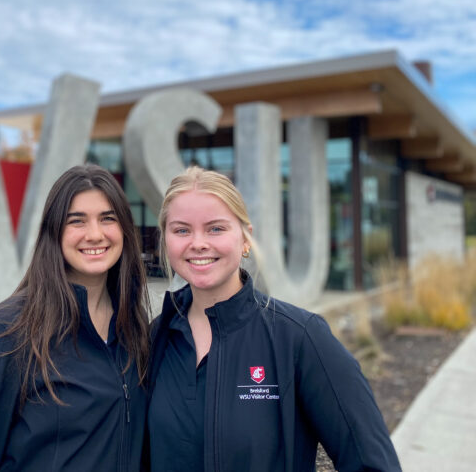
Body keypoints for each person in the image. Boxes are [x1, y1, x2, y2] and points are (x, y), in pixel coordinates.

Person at [147, 166, 401, 472]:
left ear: (244, 240)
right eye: (182, 230)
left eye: (215, 228)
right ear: (166, 241)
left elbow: (372, 463)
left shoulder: (301, 338)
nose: (198, 242)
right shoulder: (154, 338)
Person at [0, 164, 150, 472]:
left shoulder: (135, 329)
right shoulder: (5, 333)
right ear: (54, 231)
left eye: (108, 218)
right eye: (76, 221)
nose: (95, 234)